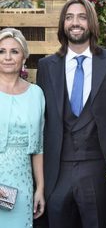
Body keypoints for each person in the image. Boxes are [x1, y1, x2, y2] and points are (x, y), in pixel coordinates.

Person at [36, 0, 106, 228]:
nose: (75, 22)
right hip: (57, 171)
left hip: (99, 169)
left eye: (81, 17)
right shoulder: (47, 66)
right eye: (69, 17)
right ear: (62, 24)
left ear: (91, 23)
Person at [0, 28, 45, 227]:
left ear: (24, 57)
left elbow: (38, 146)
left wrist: (40, 188)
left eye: (14, 52)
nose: (7, 57)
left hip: (22, 183)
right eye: (1, 51)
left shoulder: (36, 94)